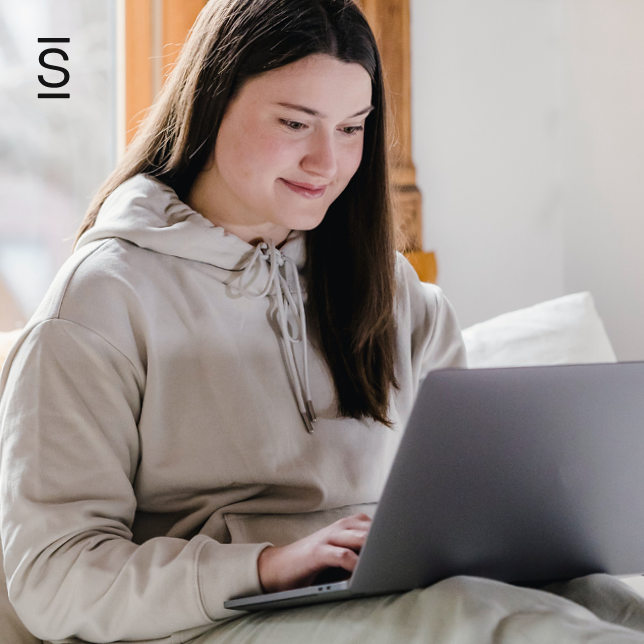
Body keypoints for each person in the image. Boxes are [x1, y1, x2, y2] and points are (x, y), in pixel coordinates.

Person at [1, 1, 644, 643]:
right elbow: (52, 577)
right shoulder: (100, 300)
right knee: (475, 620)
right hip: (214, 620)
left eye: (350, 128)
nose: (327, 163)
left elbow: (458, 505)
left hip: (379, 590)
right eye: (294, 122)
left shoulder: (393, 290)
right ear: (211, 101)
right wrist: (269, 567)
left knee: (603, 601)